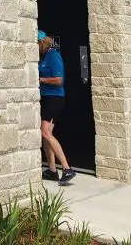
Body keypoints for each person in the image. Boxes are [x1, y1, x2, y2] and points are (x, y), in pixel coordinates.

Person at [38, 30, 76, 185]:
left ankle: (67, 168)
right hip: (46, 98)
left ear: (42, 42)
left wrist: (40, 79)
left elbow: (58, 80)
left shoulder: (53, 55)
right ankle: (52, 171)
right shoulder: (42, 56)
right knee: (46, 134)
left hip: (54, 99)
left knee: (45, 132)